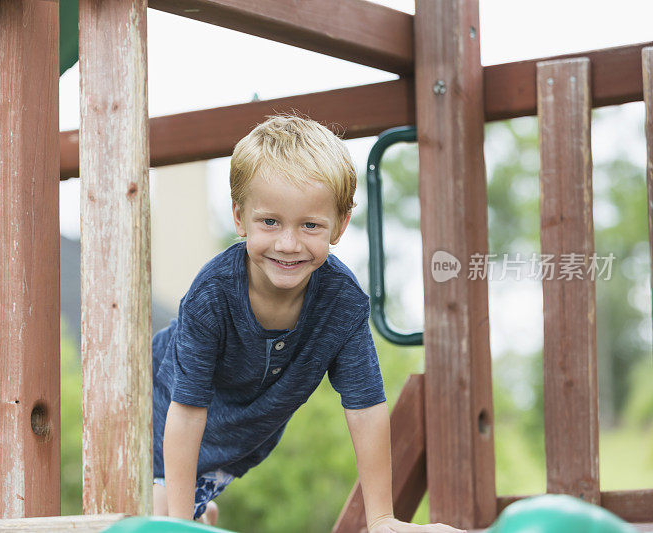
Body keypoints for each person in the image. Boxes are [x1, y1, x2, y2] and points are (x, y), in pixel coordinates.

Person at [151, 114, 463, 533]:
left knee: (178, 510)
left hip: (239, 436)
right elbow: (186, 411)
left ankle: (195, 512)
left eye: (310, 225)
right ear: (239, 217)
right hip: (159, 412)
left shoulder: (341, 303)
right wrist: (174, 524)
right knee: (152, 517)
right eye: (270, 222)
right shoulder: (213, 294)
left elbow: (366, 407)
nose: (288, 243)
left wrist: (382, 519)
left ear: (340, 225)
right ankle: (187, 515)